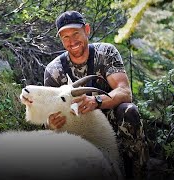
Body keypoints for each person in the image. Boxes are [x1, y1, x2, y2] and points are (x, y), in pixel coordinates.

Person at [43, 11, 149, 178]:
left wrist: (96, 101)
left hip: (111, 119)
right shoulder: (53, 70)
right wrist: (50, 123)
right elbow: (49, 115)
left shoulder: (106, 53)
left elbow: (125, 92)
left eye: (75, 34)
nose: (72, 41)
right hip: (79, 128)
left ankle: (137, 173)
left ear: (87, 30)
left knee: (129, 111)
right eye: (65, 37)